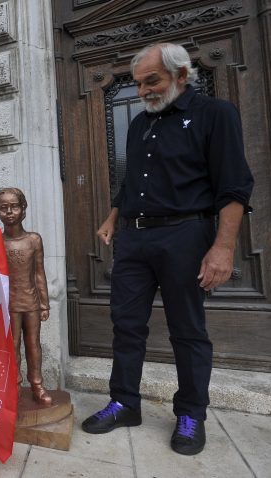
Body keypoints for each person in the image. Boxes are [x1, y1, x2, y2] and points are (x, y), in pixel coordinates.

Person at [81, 43, 254, 456]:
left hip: (186, 235)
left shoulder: (216, 114)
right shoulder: (140, 123)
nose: (143, 91)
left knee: (188, 331)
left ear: (181, 74)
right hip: (135, 238)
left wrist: (223, 248)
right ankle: (125, 402)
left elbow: (234, 185)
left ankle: (191, 413)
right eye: (138, 83)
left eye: (152, 81)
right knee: (126, 324)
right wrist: (112, 216)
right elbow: (132, 181)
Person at [0, 188, 52, 406]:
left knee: (33, 344)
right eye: (4, 208)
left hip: (31, 302)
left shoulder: (33, 240)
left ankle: (36, 384)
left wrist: (44, 303)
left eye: (15, 206)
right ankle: (14, 385)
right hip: (8, 303)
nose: (10, 212)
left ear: (23, 209)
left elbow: (39, 272)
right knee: (12, 345)